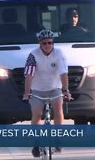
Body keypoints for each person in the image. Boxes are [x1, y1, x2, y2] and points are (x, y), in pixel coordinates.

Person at [23, 29, 72, 157]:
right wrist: (27, 93)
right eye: (44, 43)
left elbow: (63, 73)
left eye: (50, 43)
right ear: (40, 44)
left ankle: (57, 139)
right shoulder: (33, 55)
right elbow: (29, 75)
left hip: (54, 87)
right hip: (37, 89)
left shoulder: (59, 53)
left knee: (58, 109)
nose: (47, 46)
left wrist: (66, 90)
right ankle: (36, 143)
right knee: (37, 114)